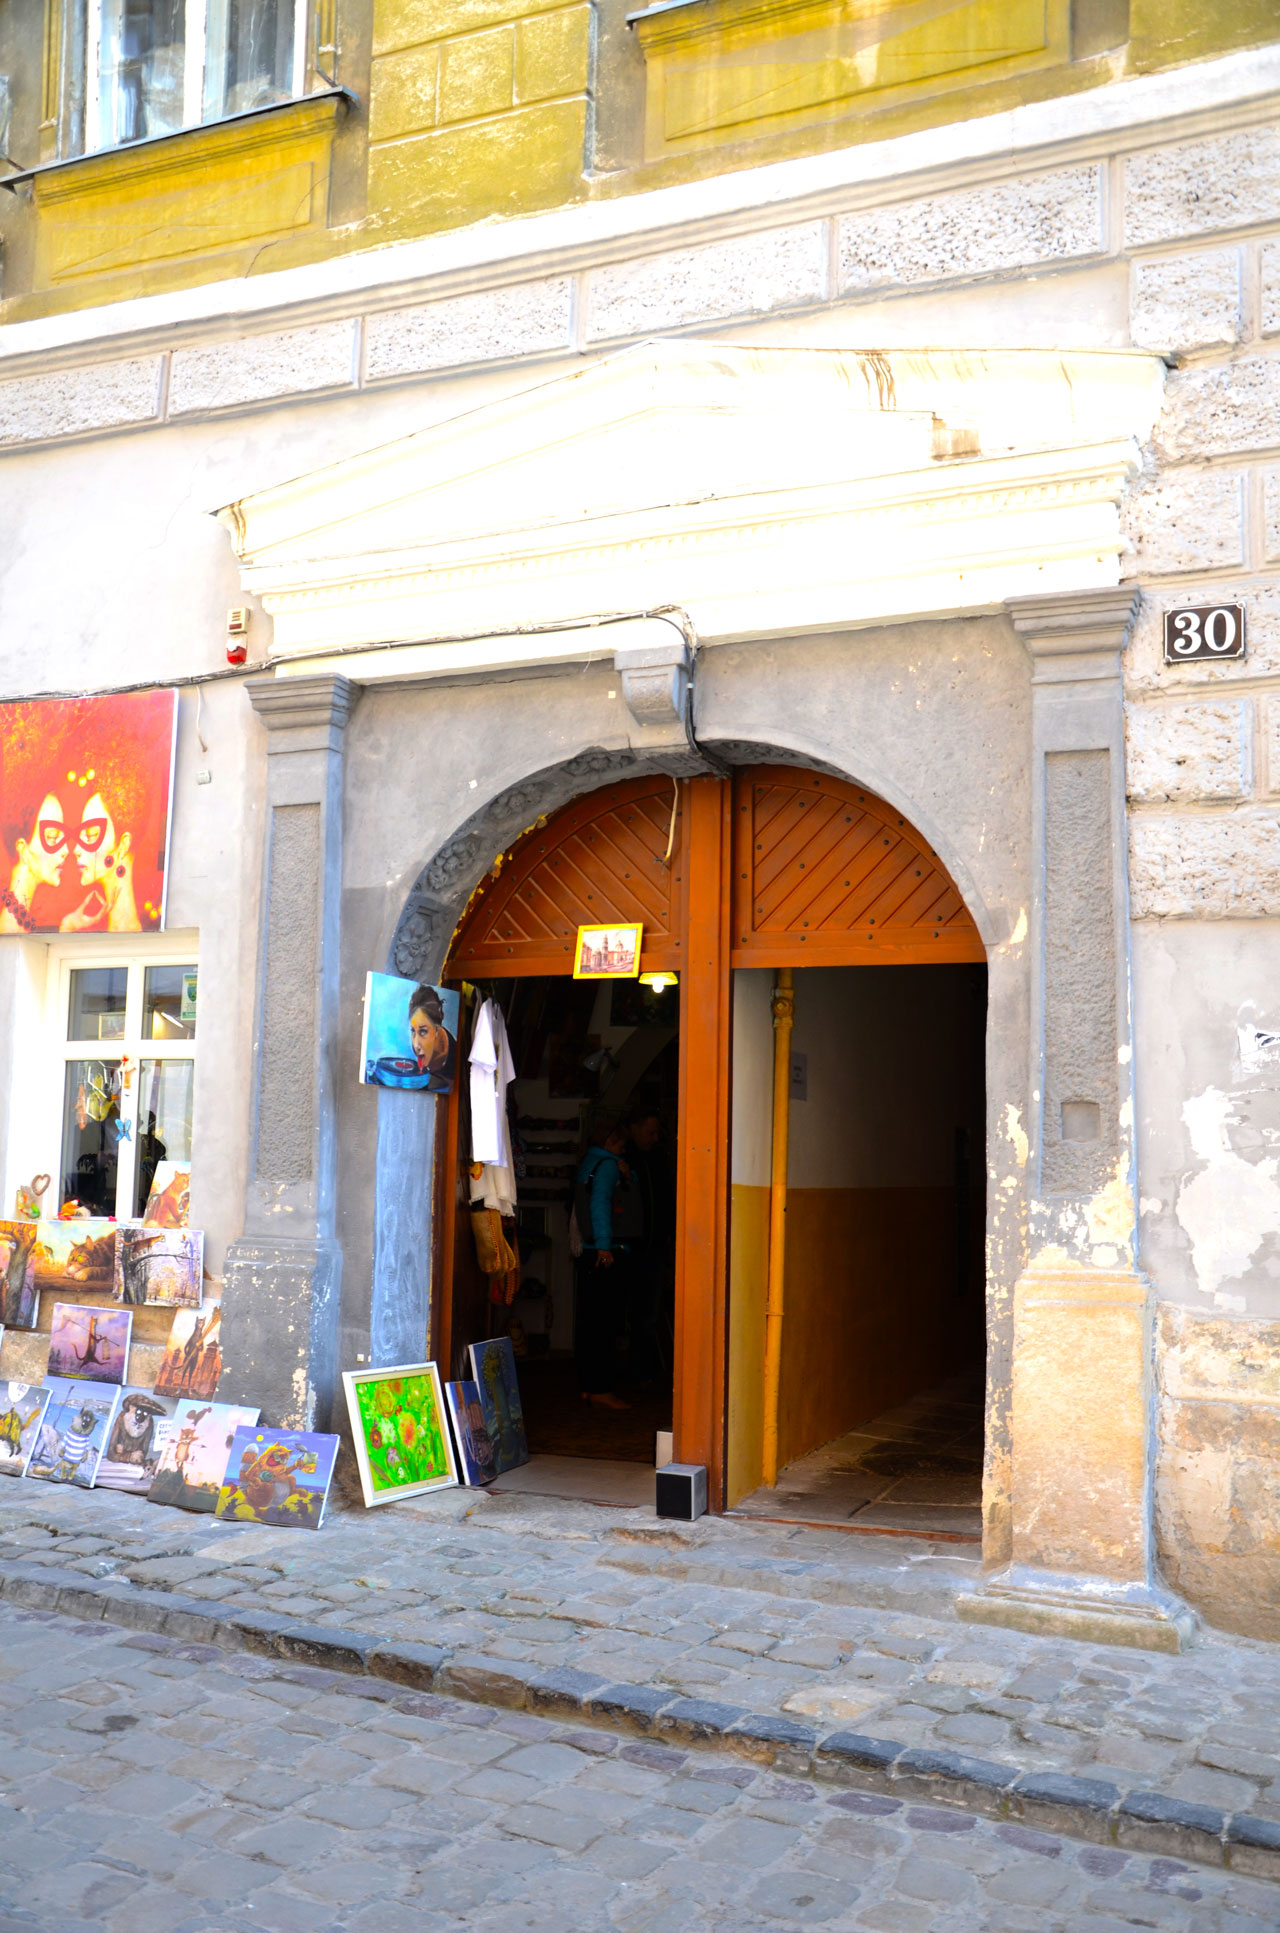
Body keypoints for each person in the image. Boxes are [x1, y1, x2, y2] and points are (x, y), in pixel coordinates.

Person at [574, 1117, 636, 1409]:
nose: (623, 1149)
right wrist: (604, 1246)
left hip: (588, 1251)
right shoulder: (608, 1166)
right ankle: (601, 1388)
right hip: (604, 1252)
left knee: (590, 1320)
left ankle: (588, 1385)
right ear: (611, 1142)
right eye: (621, 1144)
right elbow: (600, 1204)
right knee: (605, 1322)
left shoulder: (589, 1163)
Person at [0, 791, 70, 932]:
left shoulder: (21, 922)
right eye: (53, 837)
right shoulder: (10, 929)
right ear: (23, 849)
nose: (66, 850)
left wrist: (69, 926)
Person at [409, 984, 457, 1088]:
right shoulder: (422, 1057)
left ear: (437, 1029)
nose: (416, 1045)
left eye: (423, 1032)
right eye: (413, 1031)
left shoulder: (455, 1059)